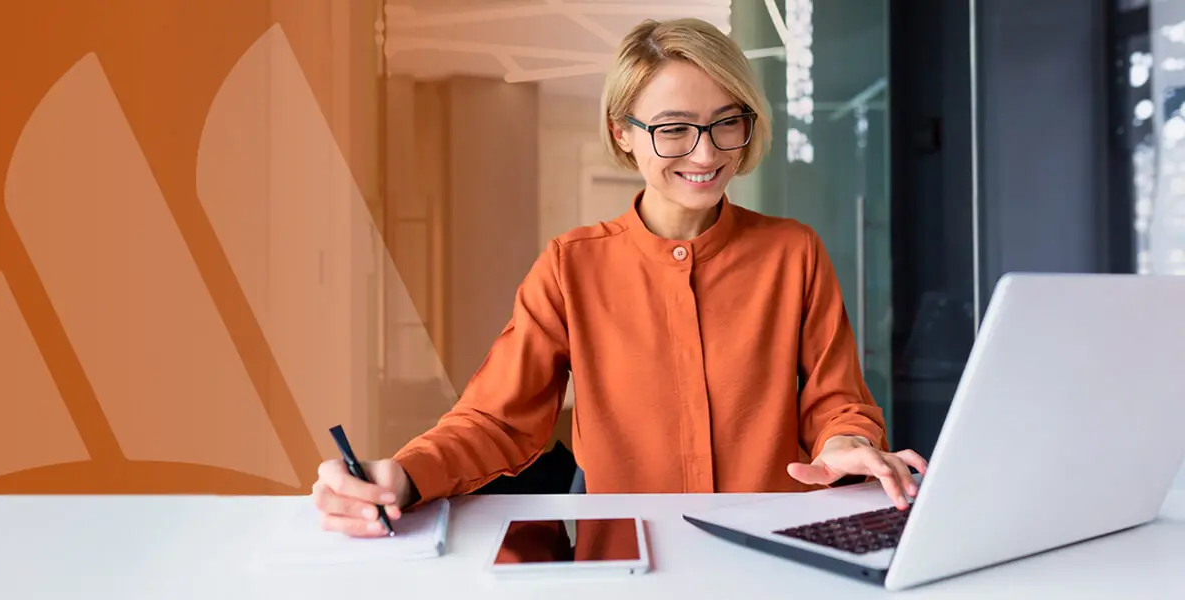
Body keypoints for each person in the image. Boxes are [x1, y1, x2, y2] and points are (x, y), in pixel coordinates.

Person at [312, 17, 928, 538]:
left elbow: (836, 399)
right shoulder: (571, 266)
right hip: (629, 560)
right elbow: (498, 420)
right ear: (622, 134)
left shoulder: (793, 252)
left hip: (773, 549)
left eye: (726, 122)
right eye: (675, 128)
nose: (707, 153)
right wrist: (406, 472)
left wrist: (845, 442)